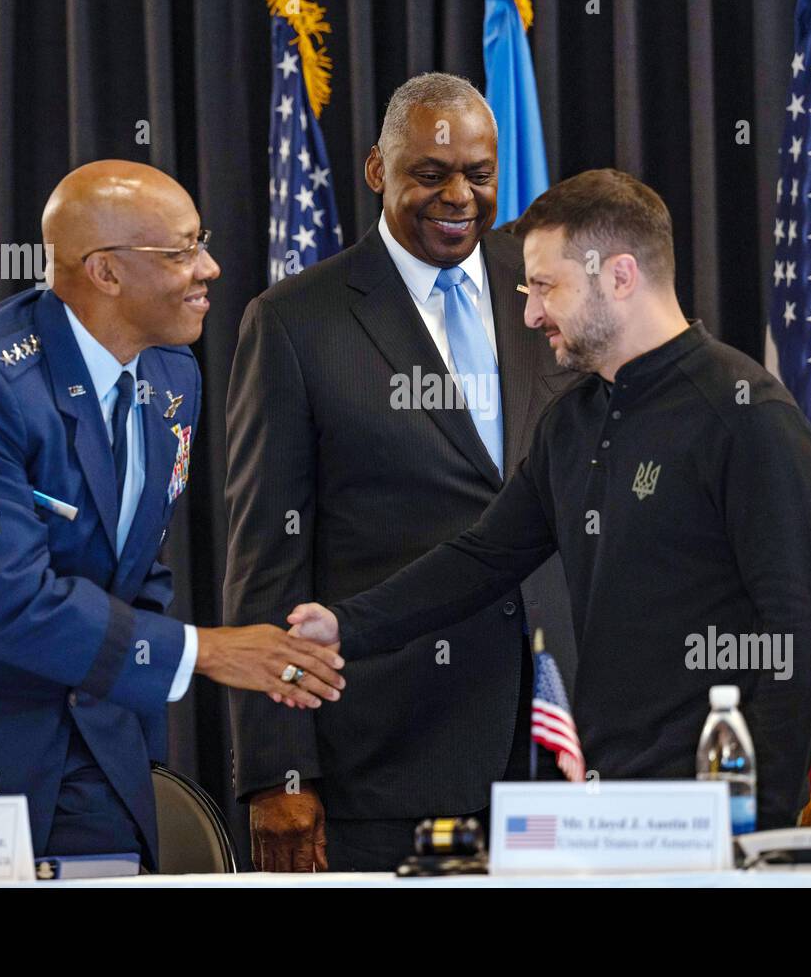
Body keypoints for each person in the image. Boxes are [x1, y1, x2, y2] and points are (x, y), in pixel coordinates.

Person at [0, 160, 344, 871]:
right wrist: (207, 650)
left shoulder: (170, 374)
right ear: (104, 272)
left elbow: (134, 569)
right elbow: (9, 604)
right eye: (182, 250)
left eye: (202, 242)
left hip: (94, 741)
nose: (211, 267)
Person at [288, 168, 811, 831]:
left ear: (621, 276)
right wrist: (345, 624)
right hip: (610, 806)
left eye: (546, 287)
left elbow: (798, 631)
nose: (528, 313)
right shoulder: (570, 421)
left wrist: (759, 819)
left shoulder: (747, 414)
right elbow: (482, 559)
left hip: (718, 814)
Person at [225, 73, 576, 872]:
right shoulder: (294, 321)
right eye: (431, 173)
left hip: (564, 744)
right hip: (386, 754)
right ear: (378, 170)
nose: (459, 195)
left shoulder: (548, 282)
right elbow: (266, 556)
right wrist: (281, 765)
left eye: (479, 175)